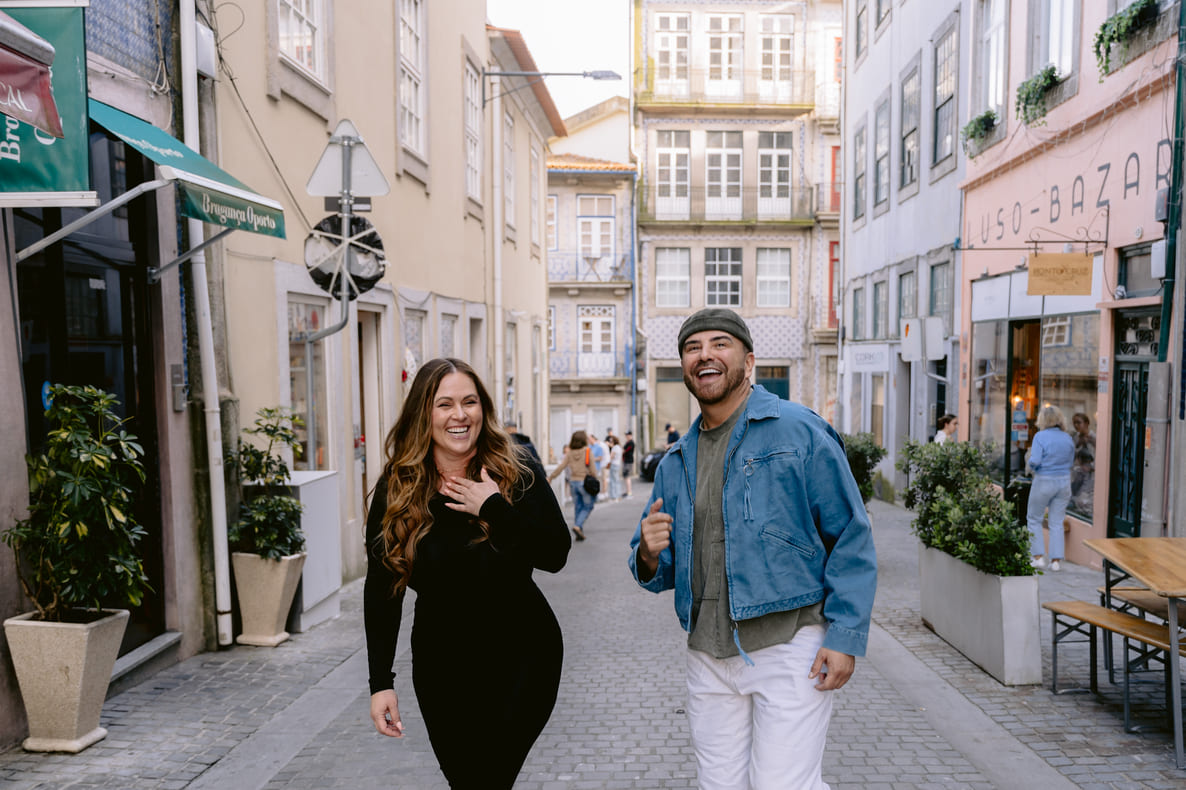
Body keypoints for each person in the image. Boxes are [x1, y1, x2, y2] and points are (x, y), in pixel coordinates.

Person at [628, 308, 877, 790]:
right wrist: (649, 554)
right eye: (692, 348)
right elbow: (660, 564)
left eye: (720, 343)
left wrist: (844, 636)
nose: (705, 355)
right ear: (684, 367)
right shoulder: (676, 460)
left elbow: (850, 534)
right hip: (707, 651)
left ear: (749, 360)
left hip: (790, 644)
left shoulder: (799, 430)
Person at [364, 358, 571, 789]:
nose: (459, 415)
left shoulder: (517, 468)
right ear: (424, 414)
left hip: (523, 657)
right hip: (443, 665)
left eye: (469, 402)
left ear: (483, 408)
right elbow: (383, 588)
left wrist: (493, 507)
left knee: (489, 779)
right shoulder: (399, 487)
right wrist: (380, 682)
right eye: (445, 404)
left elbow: (555, 553)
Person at [1026, 405, 1076, 572]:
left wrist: (1031, 466)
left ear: (1043, 419)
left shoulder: (1040, 436)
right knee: (1057, 521)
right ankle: (1055, 561)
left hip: (1044, 480)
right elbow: (1071, 461)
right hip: (1064, 482)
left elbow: (1035, 460)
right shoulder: (1067, 438)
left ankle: (1038, 557)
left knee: (1034, 518)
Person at [547, 430, 598, 541]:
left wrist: (551, 477)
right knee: (588, 506)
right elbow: (593, 470)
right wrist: (595, 478)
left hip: (573, 483)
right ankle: (577, 526)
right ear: (584, 440)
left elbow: (561, 466)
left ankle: (579, 531)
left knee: (578, 506)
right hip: (584, 483)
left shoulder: (569, 453)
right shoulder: (587, 451)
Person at [608, 435, 624, 500]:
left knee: (612, 481)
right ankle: (618, 494)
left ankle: (614, 495)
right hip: (618, 464)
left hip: (613, 465)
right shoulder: (619, 447)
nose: (610, 442)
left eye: (611, 441)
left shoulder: (614, 448)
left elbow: (611, 456)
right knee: (617, 480)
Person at [621, 430, 635, 498]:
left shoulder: (631, 443)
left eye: (627, 435)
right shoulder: (628, 442)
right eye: (626, 435)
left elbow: (624, 451)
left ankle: (629, 492)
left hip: (628, 462)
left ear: (630, 435)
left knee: (627, 476)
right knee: (625, 476)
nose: (626, 436)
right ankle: (627, 491)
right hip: (626, 461)